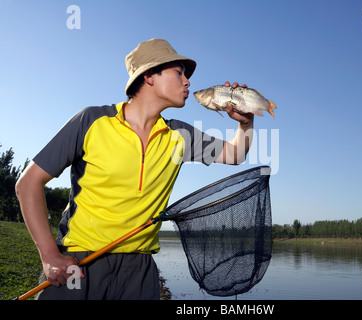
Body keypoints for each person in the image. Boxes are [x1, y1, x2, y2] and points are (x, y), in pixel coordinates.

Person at [15, 38, 254, 300]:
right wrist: (49, 255)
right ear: (150, 76)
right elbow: (28, 184)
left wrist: (245, 124)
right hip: (78, 264)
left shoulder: (180, 134)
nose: (187, 82)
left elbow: (235, 154)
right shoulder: (91, 121)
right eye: (179, 73)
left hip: (139, 272)